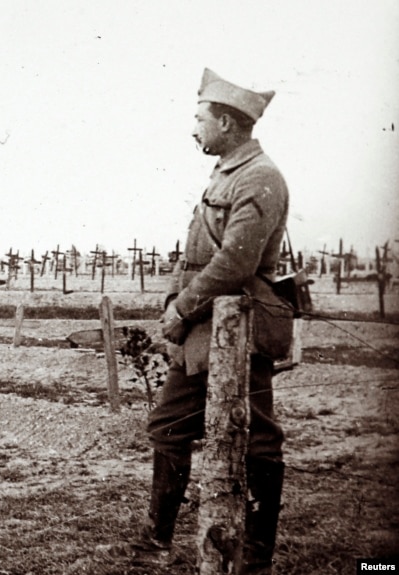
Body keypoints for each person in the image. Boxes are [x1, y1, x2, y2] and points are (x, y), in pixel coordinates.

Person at [131, 68, 292, 573]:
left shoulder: (260, 177)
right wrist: (171, 302)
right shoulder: (226, 172)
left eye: (199, 119)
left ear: (225, 121)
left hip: (237, 325)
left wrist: (182, 309)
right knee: (169, 424)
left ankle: (256, 558)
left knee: (256, 436)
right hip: (205, 327)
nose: (194, 128)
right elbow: (198, 255)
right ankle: (156, 540)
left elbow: (235, 263)